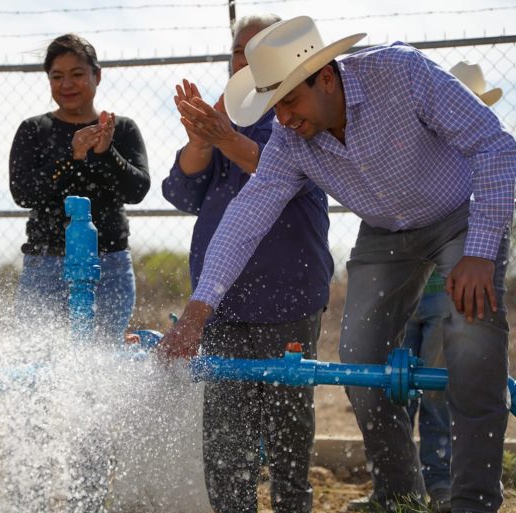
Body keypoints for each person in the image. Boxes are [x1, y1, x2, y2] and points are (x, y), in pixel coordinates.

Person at [157, 15, 516, 513]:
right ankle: (400, 495)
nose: (282, 119)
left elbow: (495, 143)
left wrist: (479, 251)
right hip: (384, 235)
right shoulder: (290, 140)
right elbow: (246, 217)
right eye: (273, 106)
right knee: (360, 359)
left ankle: (473, 501)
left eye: (288, 100)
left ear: (325, 77)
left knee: (471, 339)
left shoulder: (402, 73)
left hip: (459, 219)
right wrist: (197, 310)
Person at [162, 13, 333, 513]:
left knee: (287, 433)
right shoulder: (227, 113)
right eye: (239, 48)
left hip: (288, 294)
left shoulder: (304, 109)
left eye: (257, 47)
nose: (246, 56)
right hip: (220, 303)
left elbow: (280, 169)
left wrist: (221, 136)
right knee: (224, 437)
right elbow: (182, 191)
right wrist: (200, 138)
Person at [395, 61, 504, 513]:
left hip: (447, 293)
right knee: (399, 384)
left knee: (440, 390)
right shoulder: (425, 158)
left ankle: (440, 484)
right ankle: (407, 486)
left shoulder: (478, 164)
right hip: (415, 287)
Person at [9, 33, 150, 344]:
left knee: (103, 361)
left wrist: (106, 152)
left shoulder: (121, 129)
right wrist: (70, 156)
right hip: (46, 265)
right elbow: (23, 193)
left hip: (108, 264)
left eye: (77, 74)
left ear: (97, 75)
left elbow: (137, 190)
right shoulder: (34, 130)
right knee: (40, 360)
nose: (67, 84)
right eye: (57, 76)